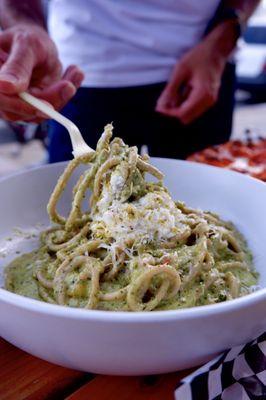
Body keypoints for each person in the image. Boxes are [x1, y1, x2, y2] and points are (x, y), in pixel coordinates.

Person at [0, 0, 260, 162]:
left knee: (210, 209)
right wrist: (27, 28)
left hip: (206, 68)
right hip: (82, 80)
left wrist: (222, 40)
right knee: (71, 211)